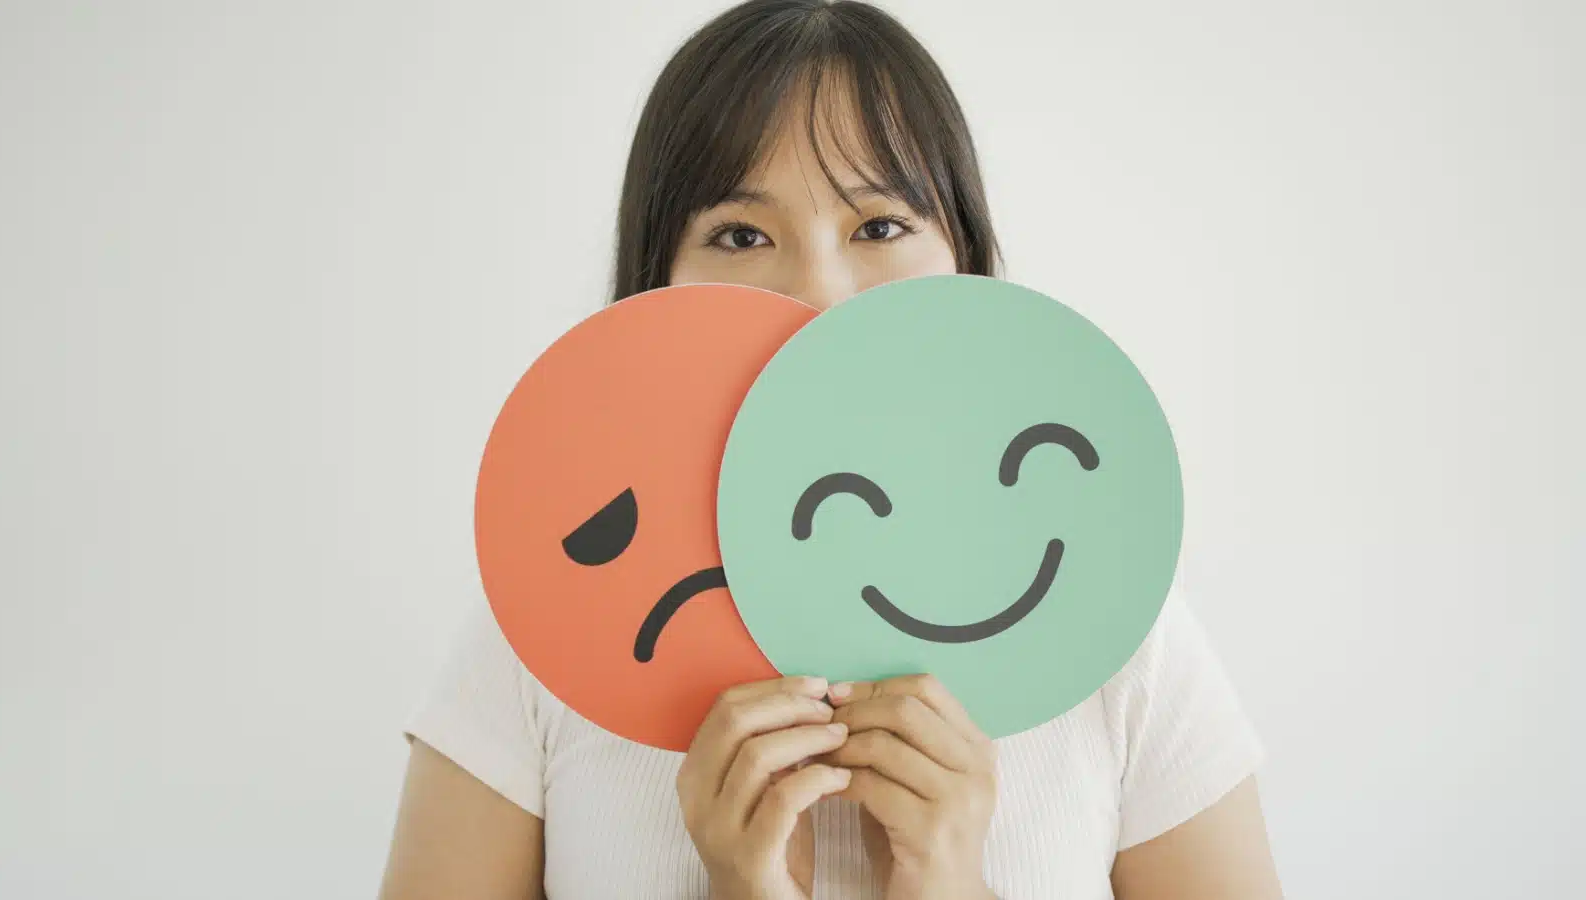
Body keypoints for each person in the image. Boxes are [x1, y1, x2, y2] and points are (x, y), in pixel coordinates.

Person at [378, 1, 1283, 898]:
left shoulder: (1105, 624)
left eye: (879, 226)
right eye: (741, 235)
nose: (819, 296)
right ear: (657, 278)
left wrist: (951, 888)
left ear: (964, 260)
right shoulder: (553, 629)